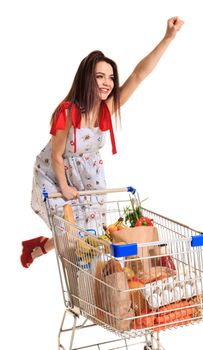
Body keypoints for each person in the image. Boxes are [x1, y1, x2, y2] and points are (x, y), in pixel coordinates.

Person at [20, 16, 184, 268]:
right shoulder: (68, 112)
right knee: (72, 231)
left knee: (89, 232)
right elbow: (55, 155)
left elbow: (139, 75)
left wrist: (168, 38)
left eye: (110, 77)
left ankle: (39, 248)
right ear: (87, 79)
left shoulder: (107, 109)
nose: (107, 82)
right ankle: (48, 254)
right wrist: (64, 188)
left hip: (86, 174)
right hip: (54, 173)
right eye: (99, 76)